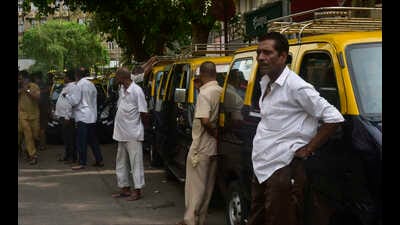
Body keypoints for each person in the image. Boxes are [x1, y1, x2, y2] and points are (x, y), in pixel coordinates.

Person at [247, 32, 345, 225]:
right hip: (262, 166)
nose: (260, 57)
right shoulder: (266, 82)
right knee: (257, 218)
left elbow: (334, 117)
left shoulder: (296, 86)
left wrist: (308, 148)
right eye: (259, 52)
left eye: (267, 52)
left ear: (283, 56)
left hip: (282, 168)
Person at [177, 61, 222, 225]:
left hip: (200, 148)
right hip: (214, 149)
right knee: (207, 189)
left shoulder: (205, 94)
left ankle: (190, 220)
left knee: (195, 188)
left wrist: (214, 133)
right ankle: (200, 219)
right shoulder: (220, 91)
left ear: (202, 75)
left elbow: (204, 120)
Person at [111, 67, 149, 201]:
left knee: (135, 163)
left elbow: (143, 112)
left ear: (122, 78)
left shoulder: (136, 91)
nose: (115, 80)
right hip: (121, 133)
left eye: (117, 77)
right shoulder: (122, 90)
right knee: (121, 162)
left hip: (133, 133)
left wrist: (143, 129)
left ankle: (137, 190)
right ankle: (124, 188)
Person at [65, 67, 104, 170]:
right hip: (91, 116)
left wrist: (67, 96)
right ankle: (99, 159)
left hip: (82, 116)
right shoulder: (91, 85)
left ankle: (82, 162)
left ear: (76, 75)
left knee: (81, 141)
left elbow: (75, 101)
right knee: (93, 140)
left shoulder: (79, 85)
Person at [54, 70, 77, 163]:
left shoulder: (72, 87)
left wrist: (67, 117)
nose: (64, 78)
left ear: (68, 78)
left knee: (69, 138)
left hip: (68, 117)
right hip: (63, 116)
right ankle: (67, 156)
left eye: (65, 76)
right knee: (66, 138)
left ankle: (72, 158)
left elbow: (70, 103)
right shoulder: (67, 86)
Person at [18, 70, 41, 165]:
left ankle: (29, 150)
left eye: (21, 78)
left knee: (35, 135)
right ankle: (33, 155)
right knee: (28, 134)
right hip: (22, 114)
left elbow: (37, 97)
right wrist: (21, 90)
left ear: (26, 79)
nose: (20, 80)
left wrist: (27, 90)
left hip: (34, 115)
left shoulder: (34, 86)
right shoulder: (19, 87)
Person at [32, 71, 50, 151]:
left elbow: (39, 99)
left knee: (39, 128)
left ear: (36, 78)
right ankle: (42, 145)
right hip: (45, 108)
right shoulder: (46, 85)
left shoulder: (36, 86)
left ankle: (40, 145)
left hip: (39, 109)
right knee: (42, 128)